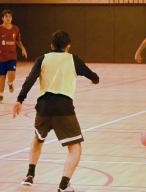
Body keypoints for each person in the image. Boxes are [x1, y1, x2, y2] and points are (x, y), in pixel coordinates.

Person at [13, 30, 99, 192]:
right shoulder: (74, 59)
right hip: (64, 109)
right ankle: (64, 185)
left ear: (51, 46)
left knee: (37, 140)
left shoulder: (42, 59)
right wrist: (94, 80)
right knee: (75, 149)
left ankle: (30, 175)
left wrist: (20, 99)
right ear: (68, 47)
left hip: (43, 108)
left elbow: (30, 79)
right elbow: (93, 76)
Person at [0, 9, 27, 103]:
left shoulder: (15, 29)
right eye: (6, 16)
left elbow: (18, 40)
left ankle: (10, 83)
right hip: (1, 57)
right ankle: (1, 95)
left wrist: (23, 48)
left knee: (11, 74)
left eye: (9, 16)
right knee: (1, 76)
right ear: (2, 18)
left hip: (12, 56)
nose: (8, 18)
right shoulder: (0, 28)